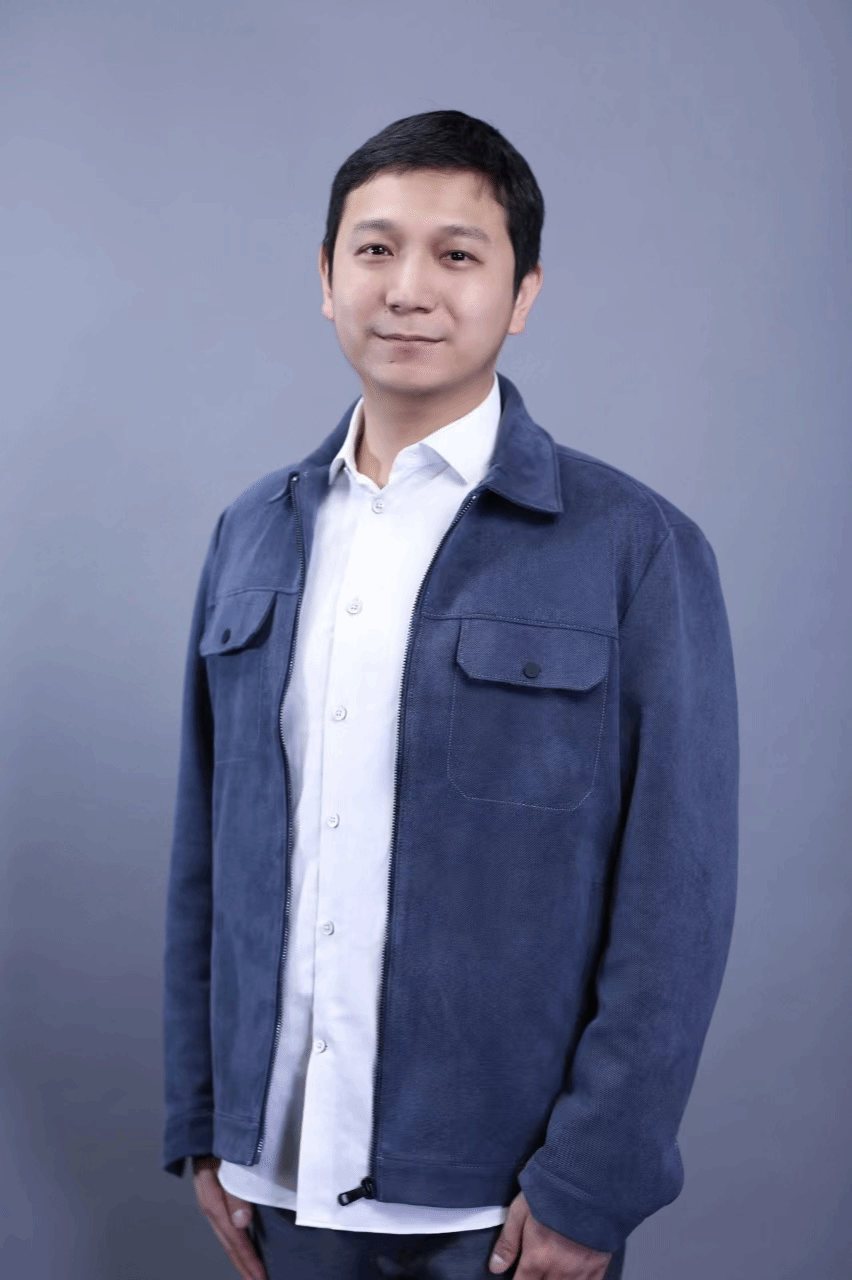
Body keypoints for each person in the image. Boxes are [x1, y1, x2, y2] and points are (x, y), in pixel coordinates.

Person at [162, 109, 739, 1280]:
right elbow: (205, 857)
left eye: (457, 253)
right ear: (326, 277)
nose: (408, 288)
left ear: (523, 293)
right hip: (278, 1181)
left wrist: (593, 1182)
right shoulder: (251, 533)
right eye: (374, 249)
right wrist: (203, 1121)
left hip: (504, 1202)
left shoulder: (633, 546)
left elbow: (677, 895)